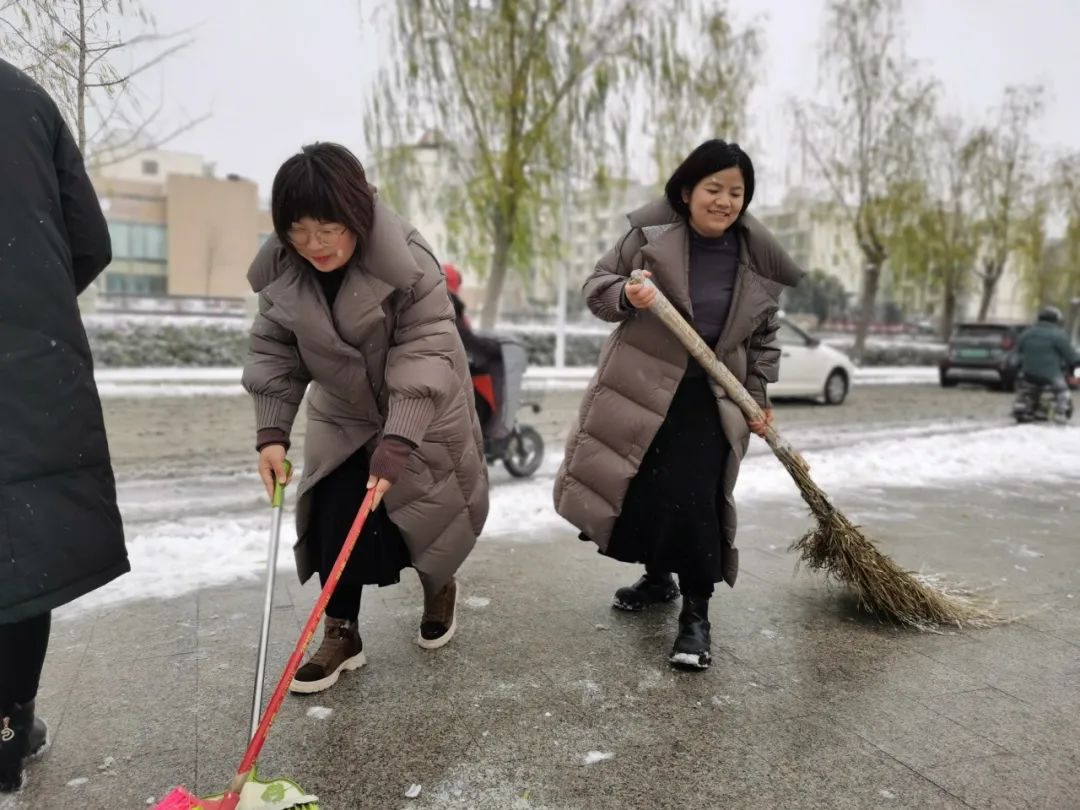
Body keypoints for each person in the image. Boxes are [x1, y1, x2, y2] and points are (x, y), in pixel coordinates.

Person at [242, 143, 488, 695]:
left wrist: (398, 439)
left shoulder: (407, 260)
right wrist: (272, 433)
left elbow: (426, 348)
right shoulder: (284, 270)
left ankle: (439, 584)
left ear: (355, 213)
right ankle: (341, 632)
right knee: (334, 520)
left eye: (327, 226)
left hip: (421, 407)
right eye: (298, 228)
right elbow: (274, 352)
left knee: (428, 511)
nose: (313, 244)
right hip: (344, 413)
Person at [554, 140, 803, 671]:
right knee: (643, 488)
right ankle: (658, 577)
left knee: (695, 502)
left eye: (736, 192)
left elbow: (764, 338)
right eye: (714, 188)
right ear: (687, 191)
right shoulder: (648, 239)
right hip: (641, 387)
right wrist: (627, 294)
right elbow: (597, 289)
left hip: (709, 398)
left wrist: (757, 397)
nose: (725, 201)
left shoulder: (755, 258)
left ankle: (696, 614)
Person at [0, 59, 129, 791]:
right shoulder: (26, 100)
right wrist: (31, 307)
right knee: (20, 550)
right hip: (25, 369)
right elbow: (91, 240)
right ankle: (8, 729)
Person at [443, 263, 510, 446]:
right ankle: (494, 426)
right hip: (453, 367)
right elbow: (466, 338)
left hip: (445, 363)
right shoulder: (449, 303)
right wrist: (496, 347)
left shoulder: (431, 302)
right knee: (495, 366)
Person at [1013, 305, 1079, 420]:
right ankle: (1060, 410)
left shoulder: (1026, 333)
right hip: (1051, 375)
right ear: (1056, 320)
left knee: (1026, 390)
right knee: (1063, 392)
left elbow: (1017, 351)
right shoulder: (1058, 335)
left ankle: (1024, 406)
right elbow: (1070, 356)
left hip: (1027, 374)